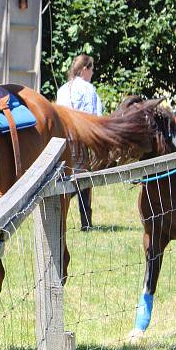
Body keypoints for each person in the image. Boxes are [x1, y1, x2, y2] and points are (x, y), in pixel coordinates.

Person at [56, 54, 103, 230]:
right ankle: (85, 222)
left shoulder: (62, 89)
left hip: (62, 138)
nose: (92, 73)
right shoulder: (88, 89)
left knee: (71, 176)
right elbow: (94, 116)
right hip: (80, 138)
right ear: (84, 69)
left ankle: (85, 222)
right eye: (91, 70)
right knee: (82, 180)